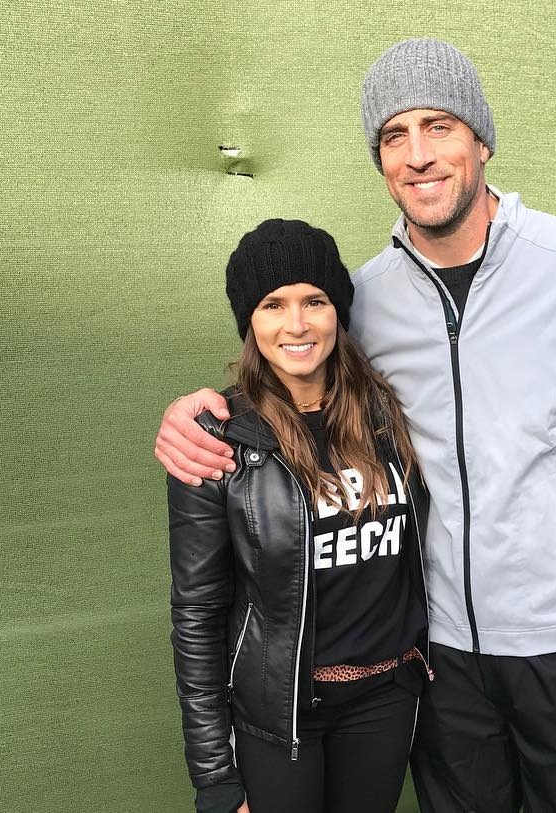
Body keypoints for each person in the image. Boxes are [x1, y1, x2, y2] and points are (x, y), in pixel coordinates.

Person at [157, 39, 556, 813]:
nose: (417, 154)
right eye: (393, 136)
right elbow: (288, 366)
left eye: (438, 126)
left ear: (481, 139)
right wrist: (196, 411)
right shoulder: (363, 302)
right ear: (379, 160)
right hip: (437, 654)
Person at [167, 218, 430, 813]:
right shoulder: (217, 440)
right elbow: (197, 613)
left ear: (338, 310)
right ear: (249, 321)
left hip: (386, 698)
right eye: (272, 304)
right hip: (282, 713)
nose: (296, 324)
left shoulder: (391, 415)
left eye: (315, 300)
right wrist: (214, 775)